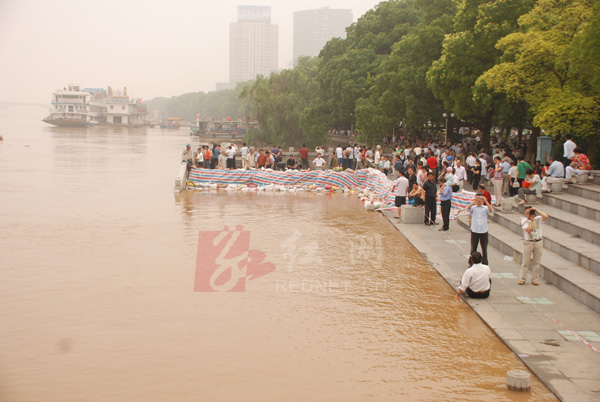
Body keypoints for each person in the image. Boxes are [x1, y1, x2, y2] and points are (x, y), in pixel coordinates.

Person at [519, 206, 549, 285]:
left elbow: (546, 216)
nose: (528, 215)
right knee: (525, 262)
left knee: (537, 262)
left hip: (538, 241)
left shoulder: (538, 218)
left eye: (529, 212)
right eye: (527, 213)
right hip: (528, 242)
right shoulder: (523, 221)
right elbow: (528, 230)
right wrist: (532, 221)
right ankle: (522, 278)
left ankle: (535, 279)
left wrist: (537, 210)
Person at [466, 194, 493, 265]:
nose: (479, 201)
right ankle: (471, 262)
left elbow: (491, 210)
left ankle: (484, 262)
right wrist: (474, 201)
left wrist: (486, 201)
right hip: (475, 230)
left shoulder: (485, 208)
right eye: (478, 200)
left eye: (480, 200)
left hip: (483, 230)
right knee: (473, 247)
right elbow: (468, 208)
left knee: (484, 248)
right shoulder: (474, 208)